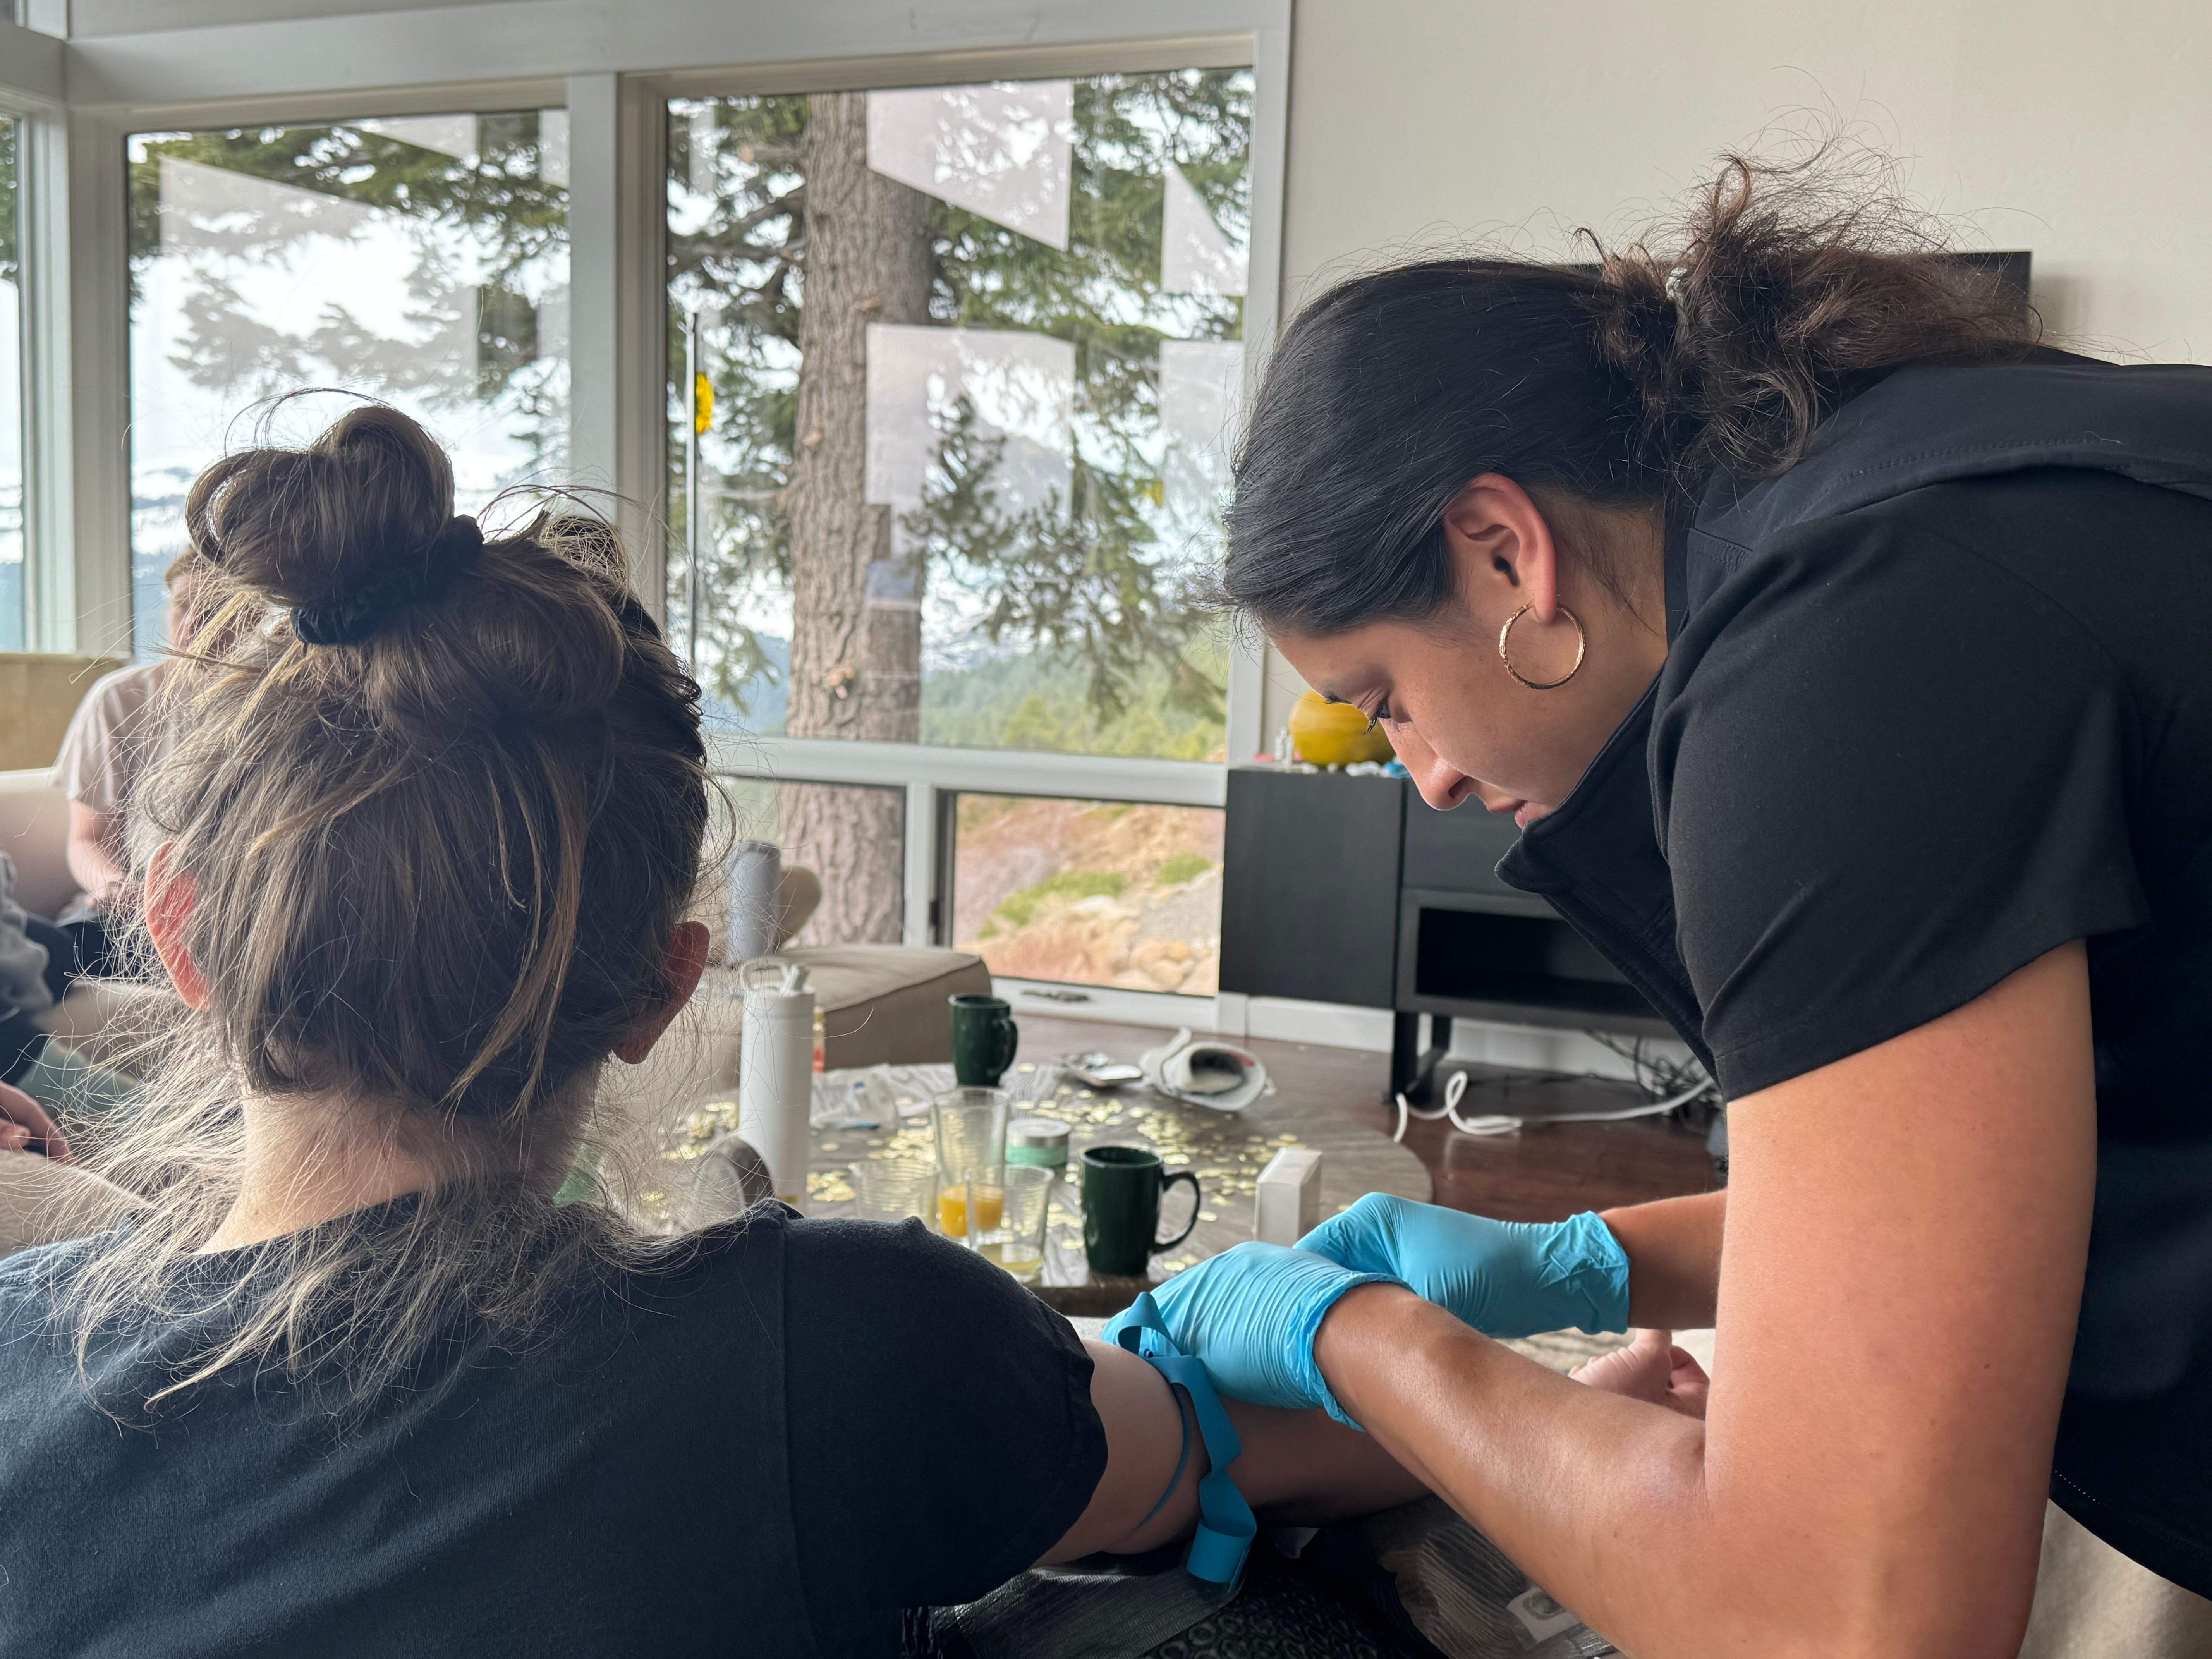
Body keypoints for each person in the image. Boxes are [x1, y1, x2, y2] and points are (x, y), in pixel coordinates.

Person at [0, 406, 1424, 1657]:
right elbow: (1238, 1455)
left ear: (180, 932)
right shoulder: (847, 1346)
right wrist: (1494, 1400)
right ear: (662, 989)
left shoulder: (19, 1351)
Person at [1108, 151, 2212, 1656]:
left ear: (1504, 552)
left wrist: (1357, 1344)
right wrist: (1597, 1261)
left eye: (1385, 701)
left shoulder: (1835, 670)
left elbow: (1844, 1623)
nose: (1420, 777)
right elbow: (1956, 1198)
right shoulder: (1925, 482)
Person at [48, 546, 210, 981]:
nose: (196, 624)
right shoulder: (121, 700)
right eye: (184, 607)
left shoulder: (281, 709)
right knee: (54, 958)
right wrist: (116, 888)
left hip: (228, 924)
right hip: (128, 917)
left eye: (216, 610)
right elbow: (86, 841)